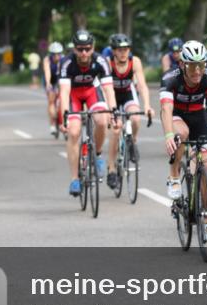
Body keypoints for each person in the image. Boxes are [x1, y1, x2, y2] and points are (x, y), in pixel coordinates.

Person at [160, 40, 207, 241]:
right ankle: (174, 176)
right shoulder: (170, 78)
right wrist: (168, 135)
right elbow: (166, 109)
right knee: (181, 134)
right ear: (183, 64)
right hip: (176, 115)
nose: (198, 70)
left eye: (201, 64)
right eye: (193, 65)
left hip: (197, 115)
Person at [58, 29, 121, 196]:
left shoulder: (100, 60)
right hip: (74, 96)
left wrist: (113, 112)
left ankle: (98, 155)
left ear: (93, 48)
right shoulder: (66, 62)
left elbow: (108, 89)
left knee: (102, 121)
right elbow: (64, 92)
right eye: (80, 49)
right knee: (74, 132)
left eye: (87, 48)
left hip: (93, 92)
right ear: (74, 49)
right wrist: (64, 117)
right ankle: (74, 179)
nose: (84, 52)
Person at [105, 34, 153, 188]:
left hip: (127, 94)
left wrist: (147, 105)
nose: (123, 53)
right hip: (111, 95)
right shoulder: (108, 63)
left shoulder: (135, 61)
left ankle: (133, 142)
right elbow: (103, 88)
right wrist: (107, 111)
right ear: (113, 51)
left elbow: (142, 85)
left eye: (126, 49)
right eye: (119, 50)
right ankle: (111, 169)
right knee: (116, 129)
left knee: (136, 118)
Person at [42, 42, 65, 137]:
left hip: (60, 79)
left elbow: (63, 73)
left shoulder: (63, 59)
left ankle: (63, 121)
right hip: (50, 80)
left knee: (64, 99)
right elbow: (47, 72)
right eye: (54, 54)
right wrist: (48, 84)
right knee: (51, 100)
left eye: (58, 54)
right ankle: (52, 125)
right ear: (50, 54)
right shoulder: (47, 60)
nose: (56, 56)